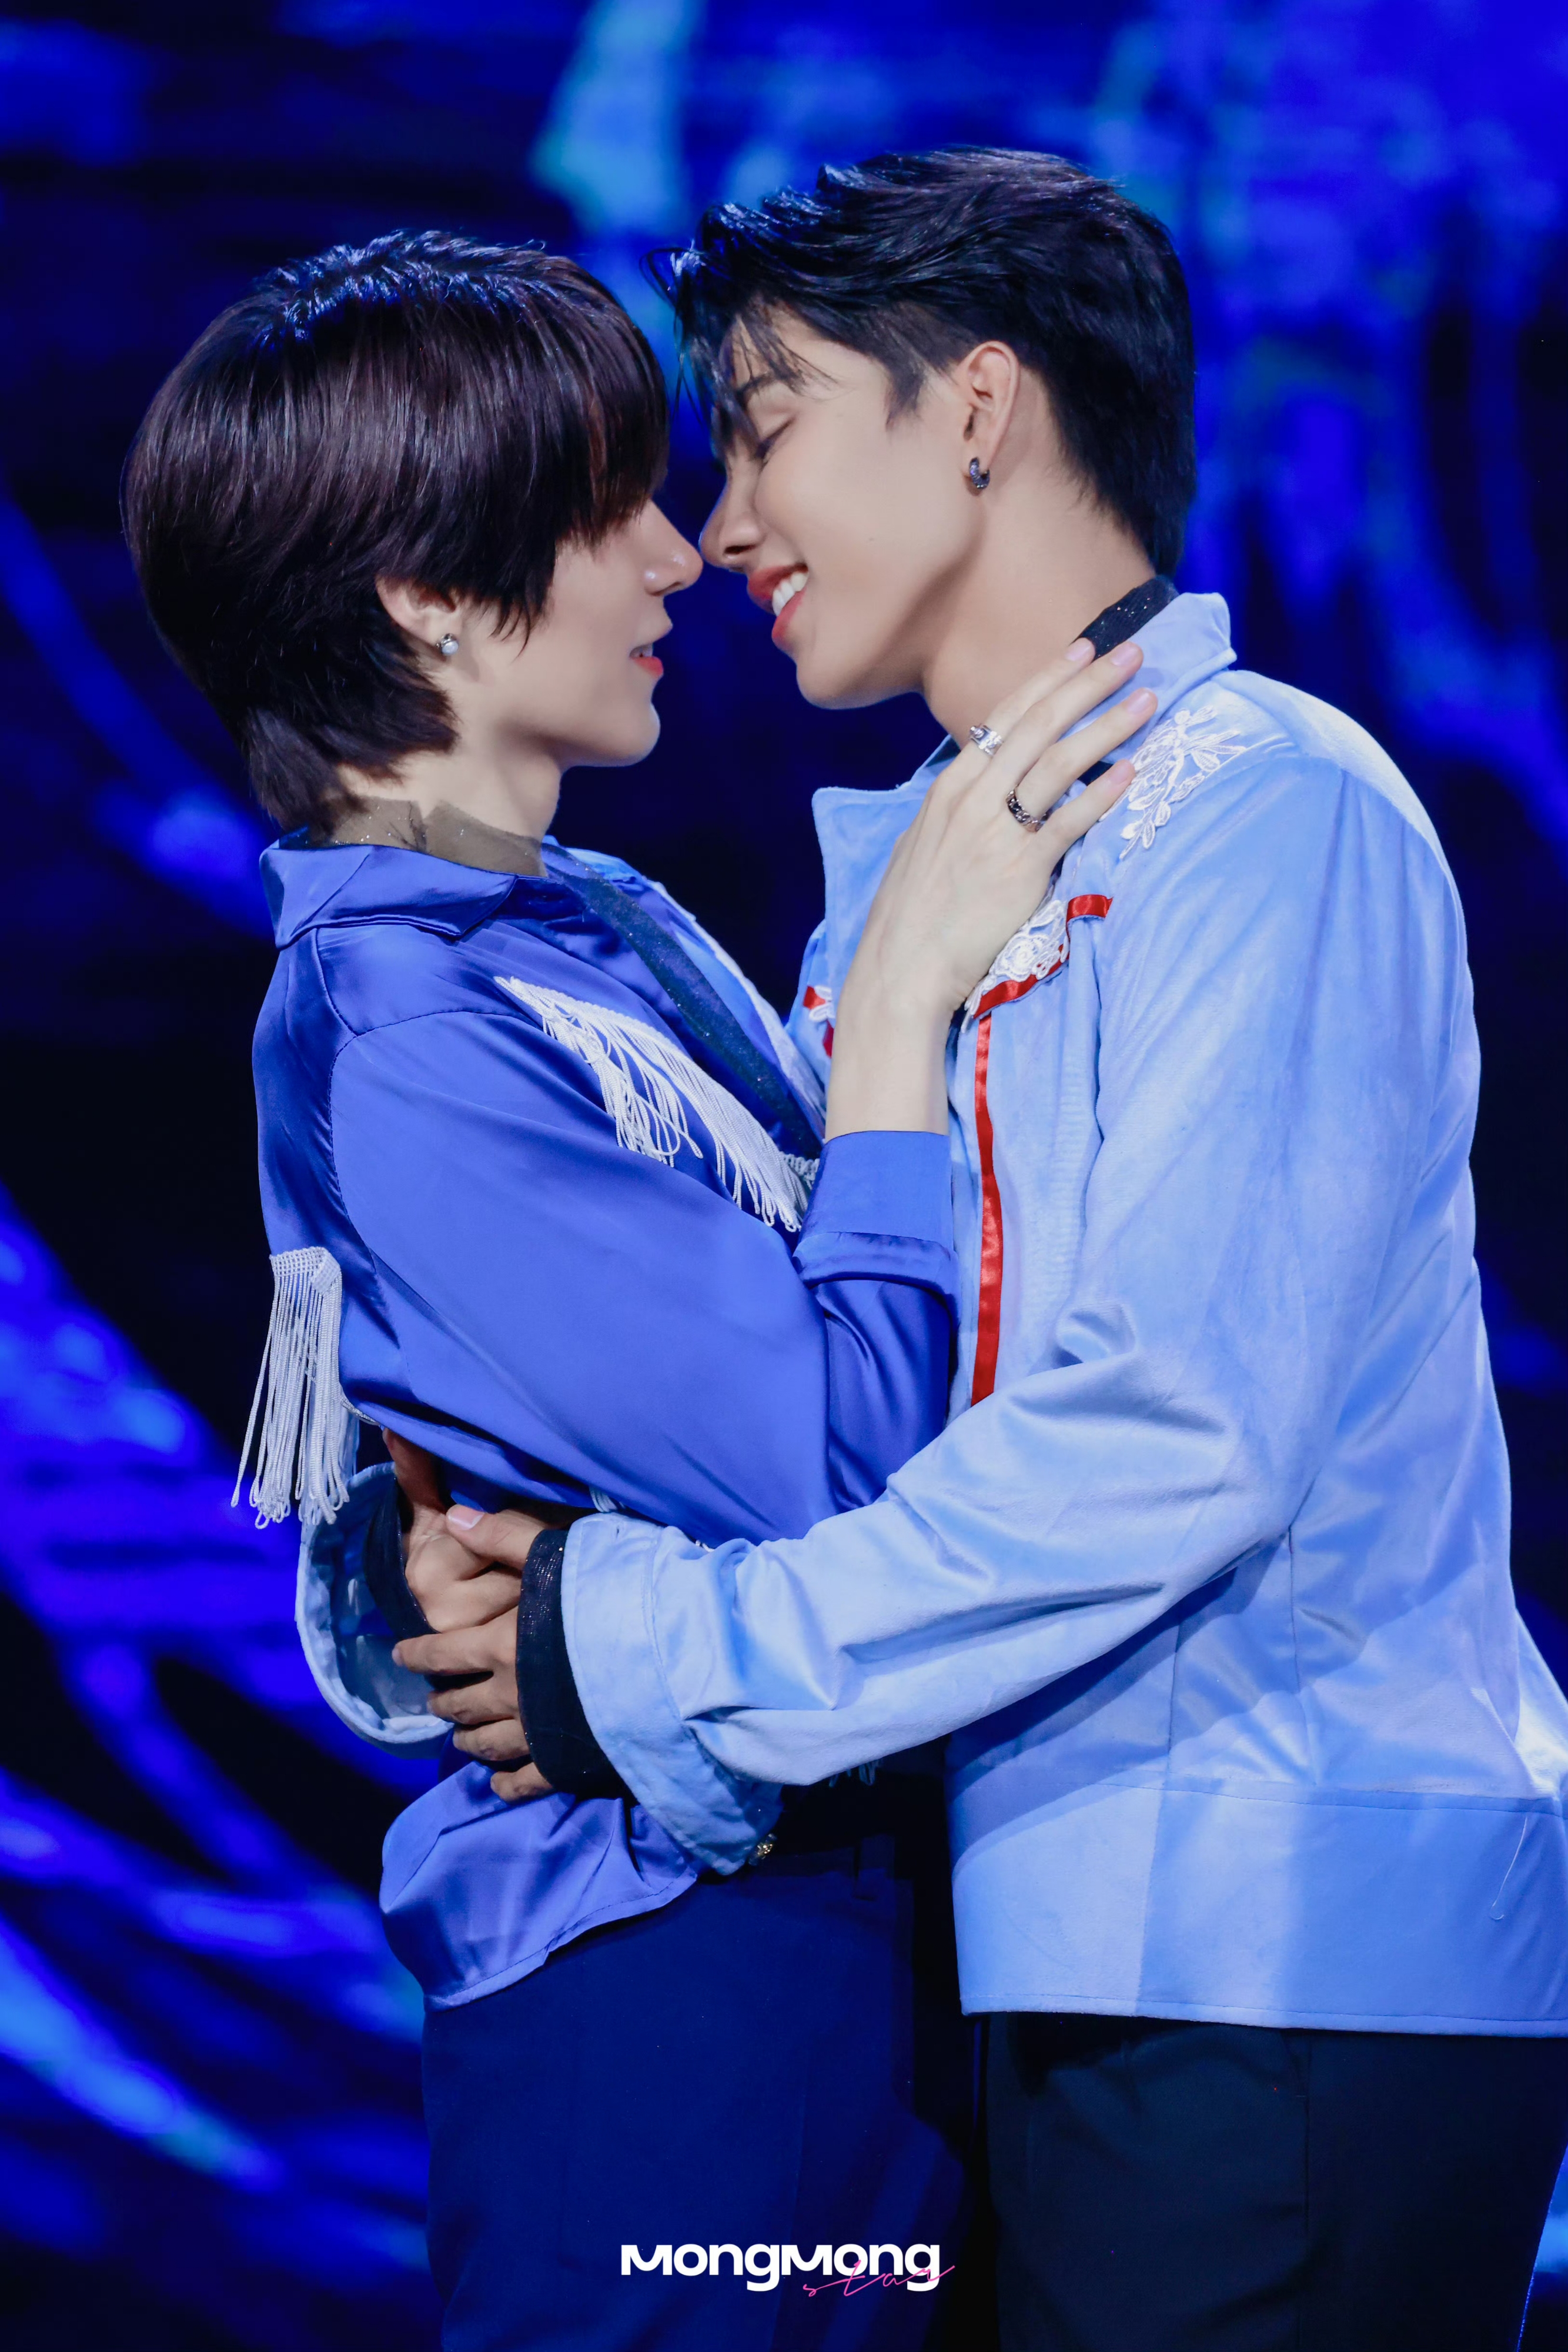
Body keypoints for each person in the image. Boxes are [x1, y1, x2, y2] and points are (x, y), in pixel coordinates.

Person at [399, 154, 1568, 2351]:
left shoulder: (1266, 808)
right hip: (1038, 1934)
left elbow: (1175, 1432)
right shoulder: (909, 900)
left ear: (976, 407)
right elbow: (816, 1404)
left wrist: (651, 1655)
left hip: (1266, 1945)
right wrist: (492, 1565)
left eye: (761, 429)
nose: (721, 524)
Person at [123, 226, 1145, 2351]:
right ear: (427, 593)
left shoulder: (575, 927)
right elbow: (847, 1462)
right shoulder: (403, 1033)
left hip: (839, 1927)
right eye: (607, 511)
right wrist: (893, 1022)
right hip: (677, 1983)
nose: (681, 555)